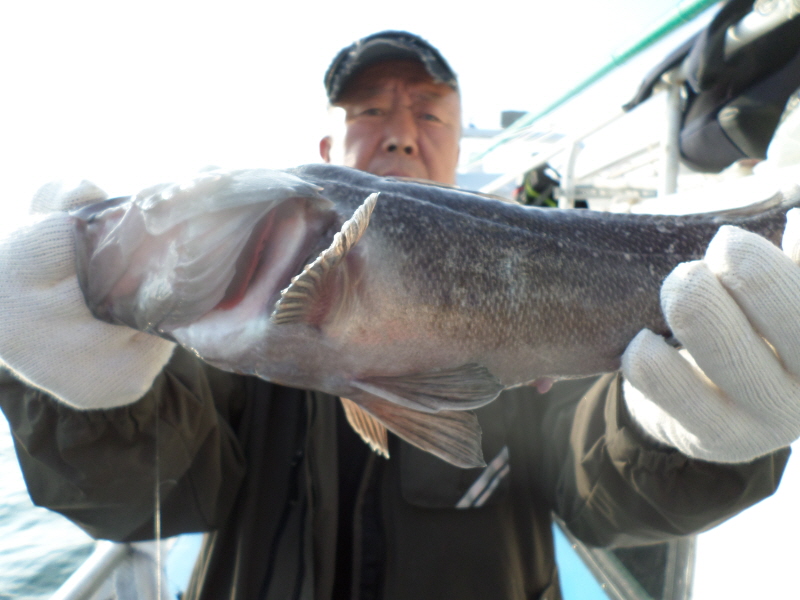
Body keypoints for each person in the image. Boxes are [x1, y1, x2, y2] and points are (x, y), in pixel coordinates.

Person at [0, 30, 797, 600]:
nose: (402, 133)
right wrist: (86, 397)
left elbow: (600, 494)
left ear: (455, 139)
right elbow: (153, 494)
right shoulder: (215, 339)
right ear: (325, 143)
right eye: (370, 112)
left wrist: (697, 437)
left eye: (429, 111)